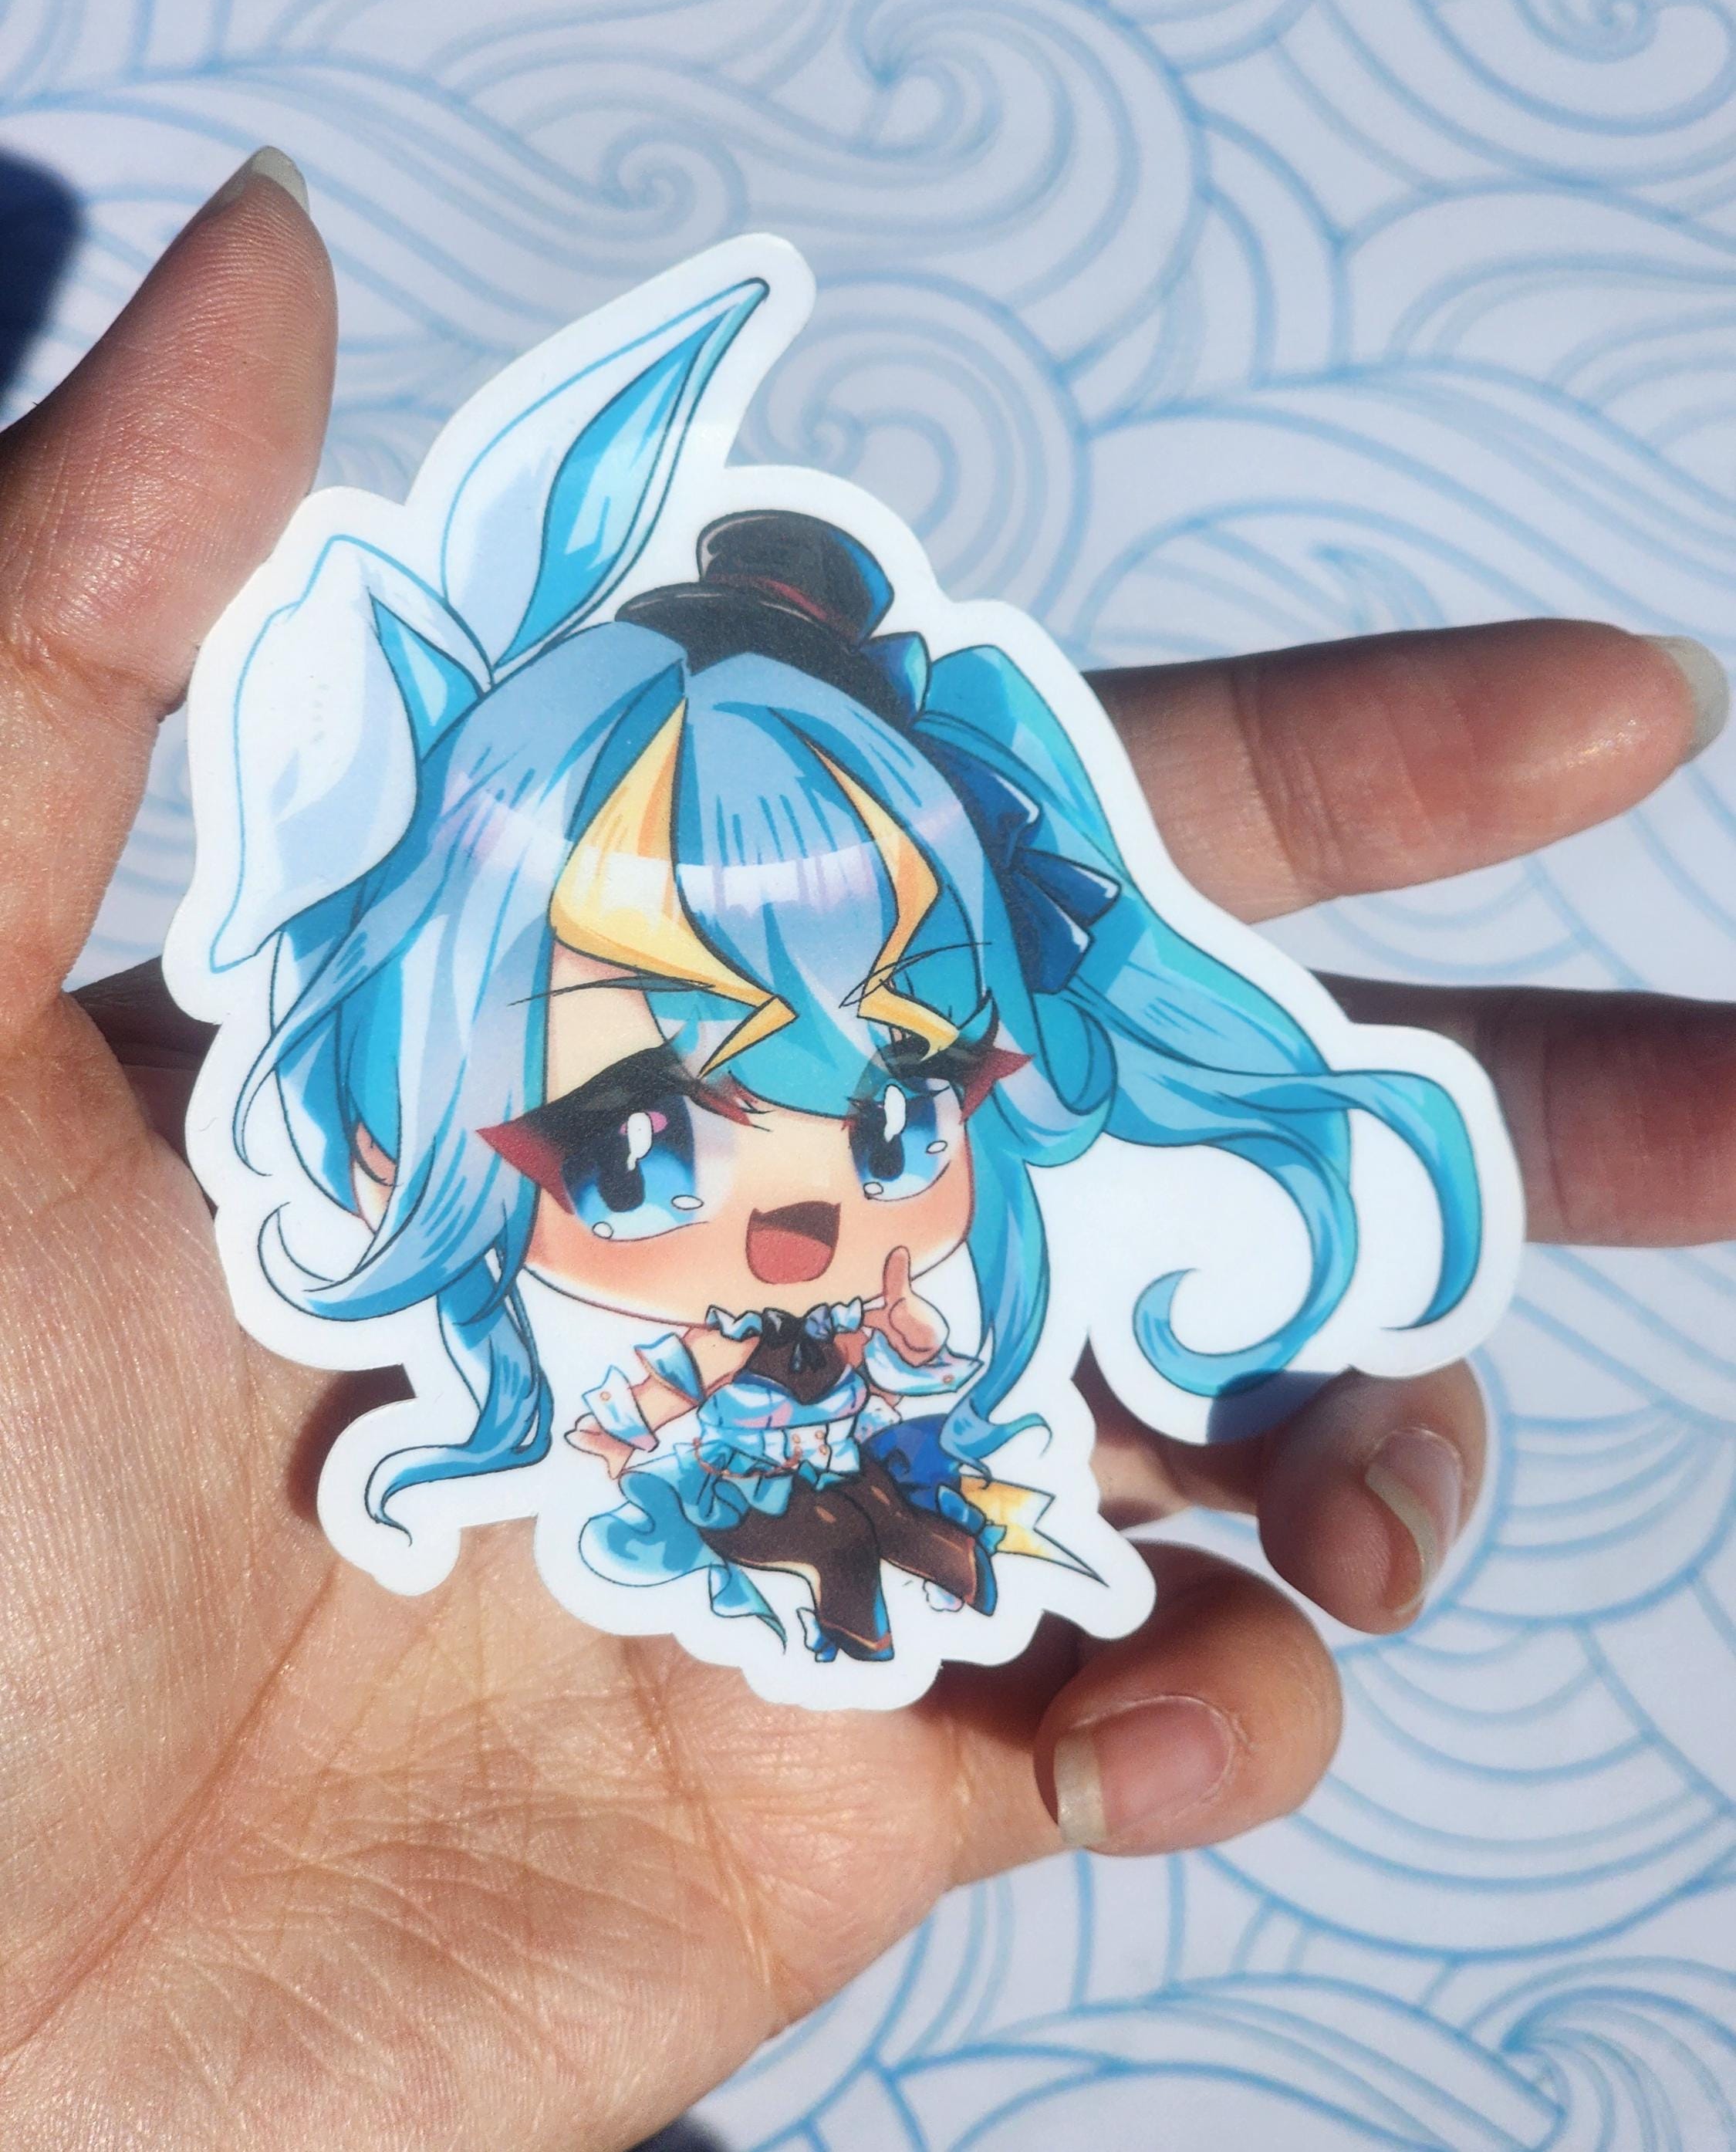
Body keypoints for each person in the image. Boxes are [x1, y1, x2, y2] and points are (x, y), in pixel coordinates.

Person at [0, 148, 1727, 2150]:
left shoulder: (940, 1385)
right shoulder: (478, 1387)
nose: (805, 1206)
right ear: (418, 1130)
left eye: (908, 1100)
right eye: (644, 1137)